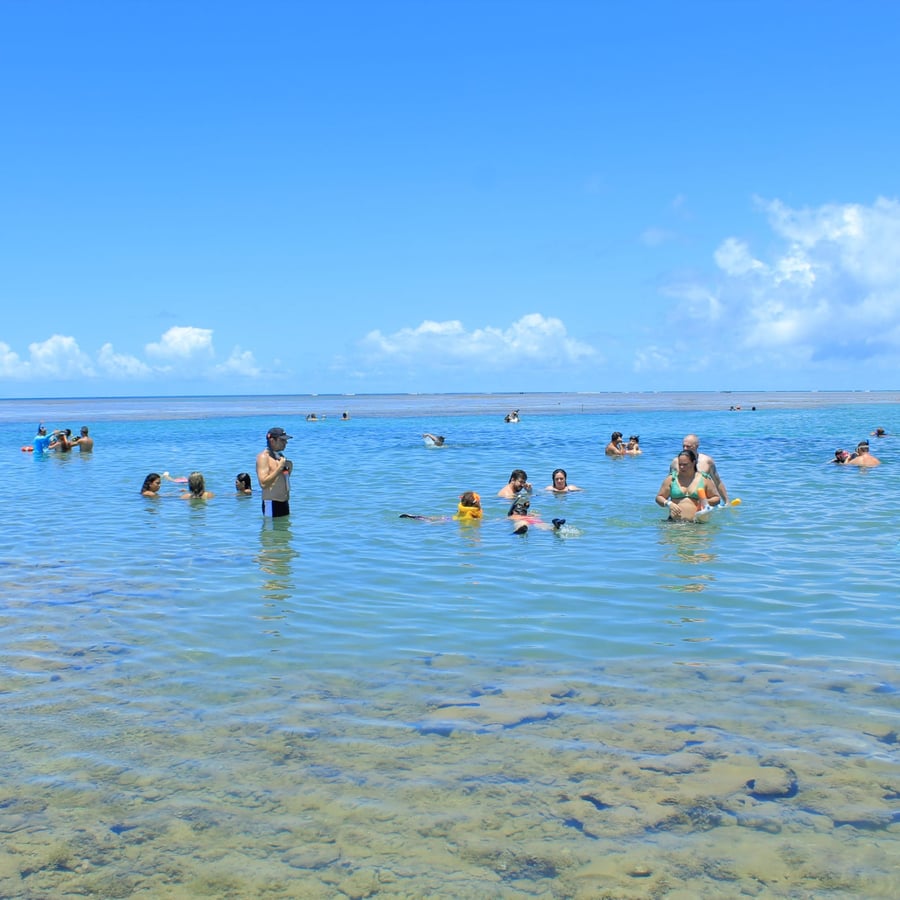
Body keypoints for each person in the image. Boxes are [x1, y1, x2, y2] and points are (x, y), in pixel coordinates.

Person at [656, 448, 721, 521]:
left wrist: (705, 501)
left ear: (693, 462)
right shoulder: (671, 479)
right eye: (680, 464)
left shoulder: (704, 479)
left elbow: (717, 499)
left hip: (696, 524)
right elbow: (659, 497)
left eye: (685, 464)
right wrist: (668, 503)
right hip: (674, 523)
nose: (681, 467)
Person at [671, 434, 730, 504]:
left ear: (696, 446)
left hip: (703, 504)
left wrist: (727, 502)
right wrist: (668, 503)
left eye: (688, 446)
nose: (685, 449)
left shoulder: (707, 461)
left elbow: (718, 482)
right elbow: (670, 483)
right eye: (683, 446)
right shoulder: (675, 462)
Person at [256, 426, 293, 517]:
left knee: (284, 531)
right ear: (272, 440)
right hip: (271, 504)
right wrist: (279, 468)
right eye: (282, 440)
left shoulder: (279, 456)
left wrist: (289, 469)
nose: (286, 443)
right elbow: (263, 484)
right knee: (270, 531)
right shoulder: (263, 457)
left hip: (284, 503)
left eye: (285, 440)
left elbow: (279, 482)